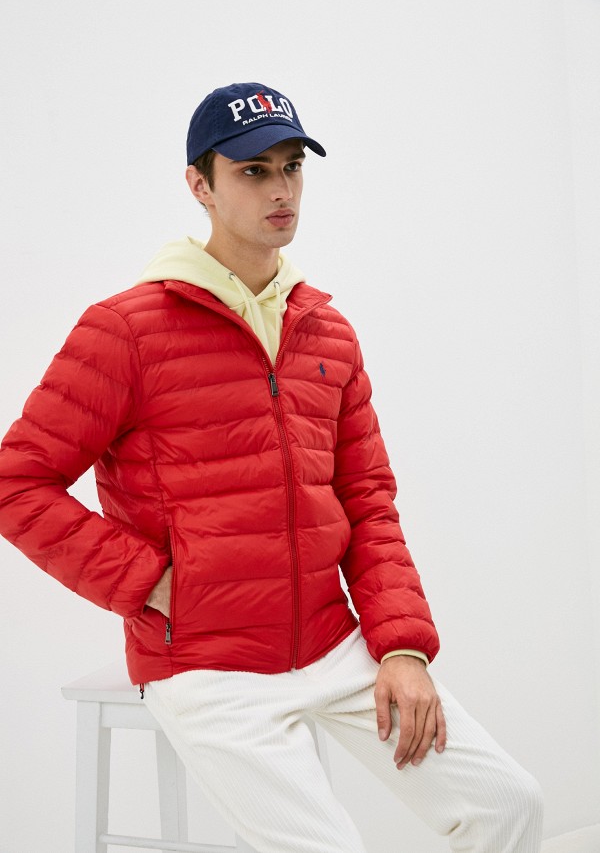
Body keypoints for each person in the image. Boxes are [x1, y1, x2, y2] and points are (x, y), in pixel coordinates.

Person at [0, 82, 543, 852]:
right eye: (253, 171)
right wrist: (153, 582)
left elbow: (367, 498)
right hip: (206, 661)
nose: (281, 189)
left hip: (332, 643)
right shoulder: (126, 330)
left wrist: (400, 647)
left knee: (510, 805)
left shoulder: (326, 330)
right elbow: (17, 481)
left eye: (292, 166)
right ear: (200, 185)